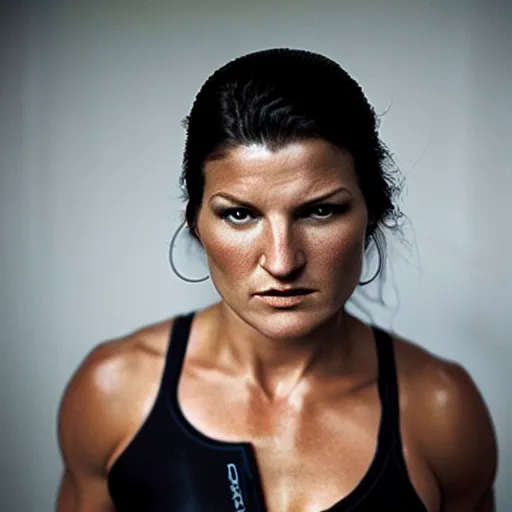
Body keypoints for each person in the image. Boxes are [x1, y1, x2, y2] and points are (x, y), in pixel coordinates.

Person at [56, 48, 497, 511]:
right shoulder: (115, 391)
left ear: (372, 216)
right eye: (240, 214)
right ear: (196, 225)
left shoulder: (441, 410)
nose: (283, 262)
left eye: (320, 211)